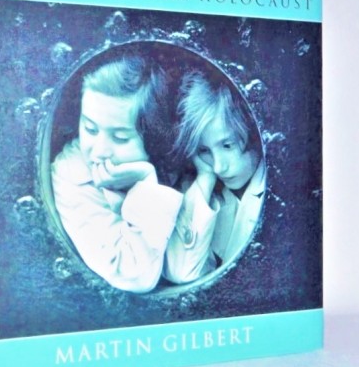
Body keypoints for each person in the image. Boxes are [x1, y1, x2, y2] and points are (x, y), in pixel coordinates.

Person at [51, 55, 183, 293]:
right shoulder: (72, 175)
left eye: (120, 138)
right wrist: (146, 184)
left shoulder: (171, 161)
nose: (99, 150)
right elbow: (136, 277)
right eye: (90, 129)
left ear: (153, 137)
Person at [163, 71, 266, 284]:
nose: (218, 166)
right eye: (204, 150)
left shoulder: (275, 190)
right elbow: (182, 274)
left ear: (252, 133)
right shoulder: (204, 195)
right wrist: (205, 178)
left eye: (227, 145)